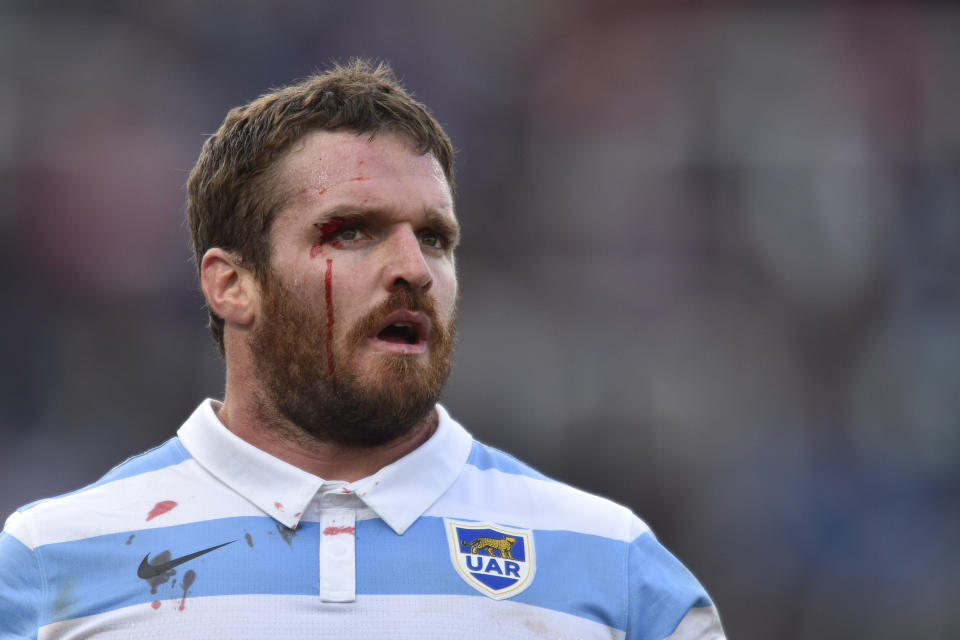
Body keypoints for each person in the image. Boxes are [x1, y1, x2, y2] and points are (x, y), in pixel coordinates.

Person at [0, 60, 725, 639]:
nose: (413, 267)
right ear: (231, 285)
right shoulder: (47, 567)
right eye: (350, 231)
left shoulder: (614, 569)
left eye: (435, 238)